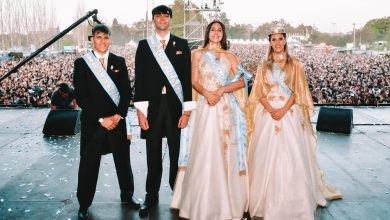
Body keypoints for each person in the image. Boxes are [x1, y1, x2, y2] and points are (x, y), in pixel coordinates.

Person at [247, 21, 342, 220]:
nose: (278, 42)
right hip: (269, 112)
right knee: (265, 154)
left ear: (285, 40)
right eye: (274, 39)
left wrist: (282, 109)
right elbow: (259, 92)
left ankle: (295, 202)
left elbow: (298, 92)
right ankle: (263, 201)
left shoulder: (296, 63)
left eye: (281, 38)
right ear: (270, 43)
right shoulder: (263, 65)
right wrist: (272, 109)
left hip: (289, 112)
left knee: (293, 155)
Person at [171, 20, 251, 220]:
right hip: (206, 107)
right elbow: (194, 81)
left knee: (225, 152)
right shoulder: (197, 53)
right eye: (213, 30)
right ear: (207, 33)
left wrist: (222, 89)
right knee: (205, 149)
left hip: (225, 107)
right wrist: (207, 93)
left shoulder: (230, 56)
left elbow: (242, 80)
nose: (216, 33)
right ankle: (201, 201)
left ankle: (227, 201)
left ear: (223, 34)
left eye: (219, 30)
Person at [73, 24, 139, 219]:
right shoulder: (82, 63)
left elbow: (126, 91)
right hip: (94, 123)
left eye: (106, 37)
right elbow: (82, 96)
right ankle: (84, 203)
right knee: (88, 164)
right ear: (92, 39)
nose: (103, 41)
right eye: (99, 37)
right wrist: (101, 119)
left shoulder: (118, 61)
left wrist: (118, 116)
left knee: (123, 161)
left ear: (110, 39)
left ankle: (128, 195)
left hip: (117, 122)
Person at [133, 5, 194, 218]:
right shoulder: (143, 45)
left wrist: (187, 112)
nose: (162, 18)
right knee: (152, 154)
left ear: (170, 19)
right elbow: (139, 81)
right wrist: (140, 112)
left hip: (176, 108)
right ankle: (151, 194)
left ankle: (177, 194)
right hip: (153, 109)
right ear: (153, 20)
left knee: (177, 154)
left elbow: (186, 80)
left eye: (165, 15)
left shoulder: (182, 44)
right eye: (158, 15)